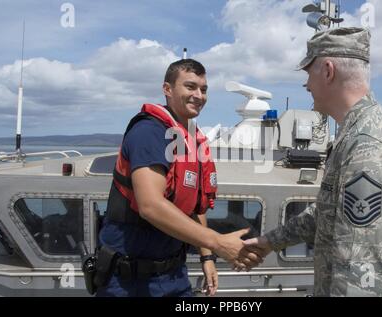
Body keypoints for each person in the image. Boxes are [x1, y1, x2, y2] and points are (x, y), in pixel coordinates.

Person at [243, 27, 382, 297]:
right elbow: (325, 213)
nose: (306, 85)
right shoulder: (355, 132)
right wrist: (269, 241)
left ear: (327, 71)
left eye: (308, 73)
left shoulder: (367, 145)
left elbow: (364, 272)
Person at [96, 58, 261, 297]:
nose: (199, 95)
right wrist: (218, 242)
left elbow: (194, 205)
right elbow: (150, 205)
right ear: (167, 89)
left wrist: (207, 256)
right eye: (190, 86)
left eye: (203, 89)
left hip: (174, 274)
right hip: (130, 281)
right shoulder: (150, 132)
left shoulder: (190, 138)